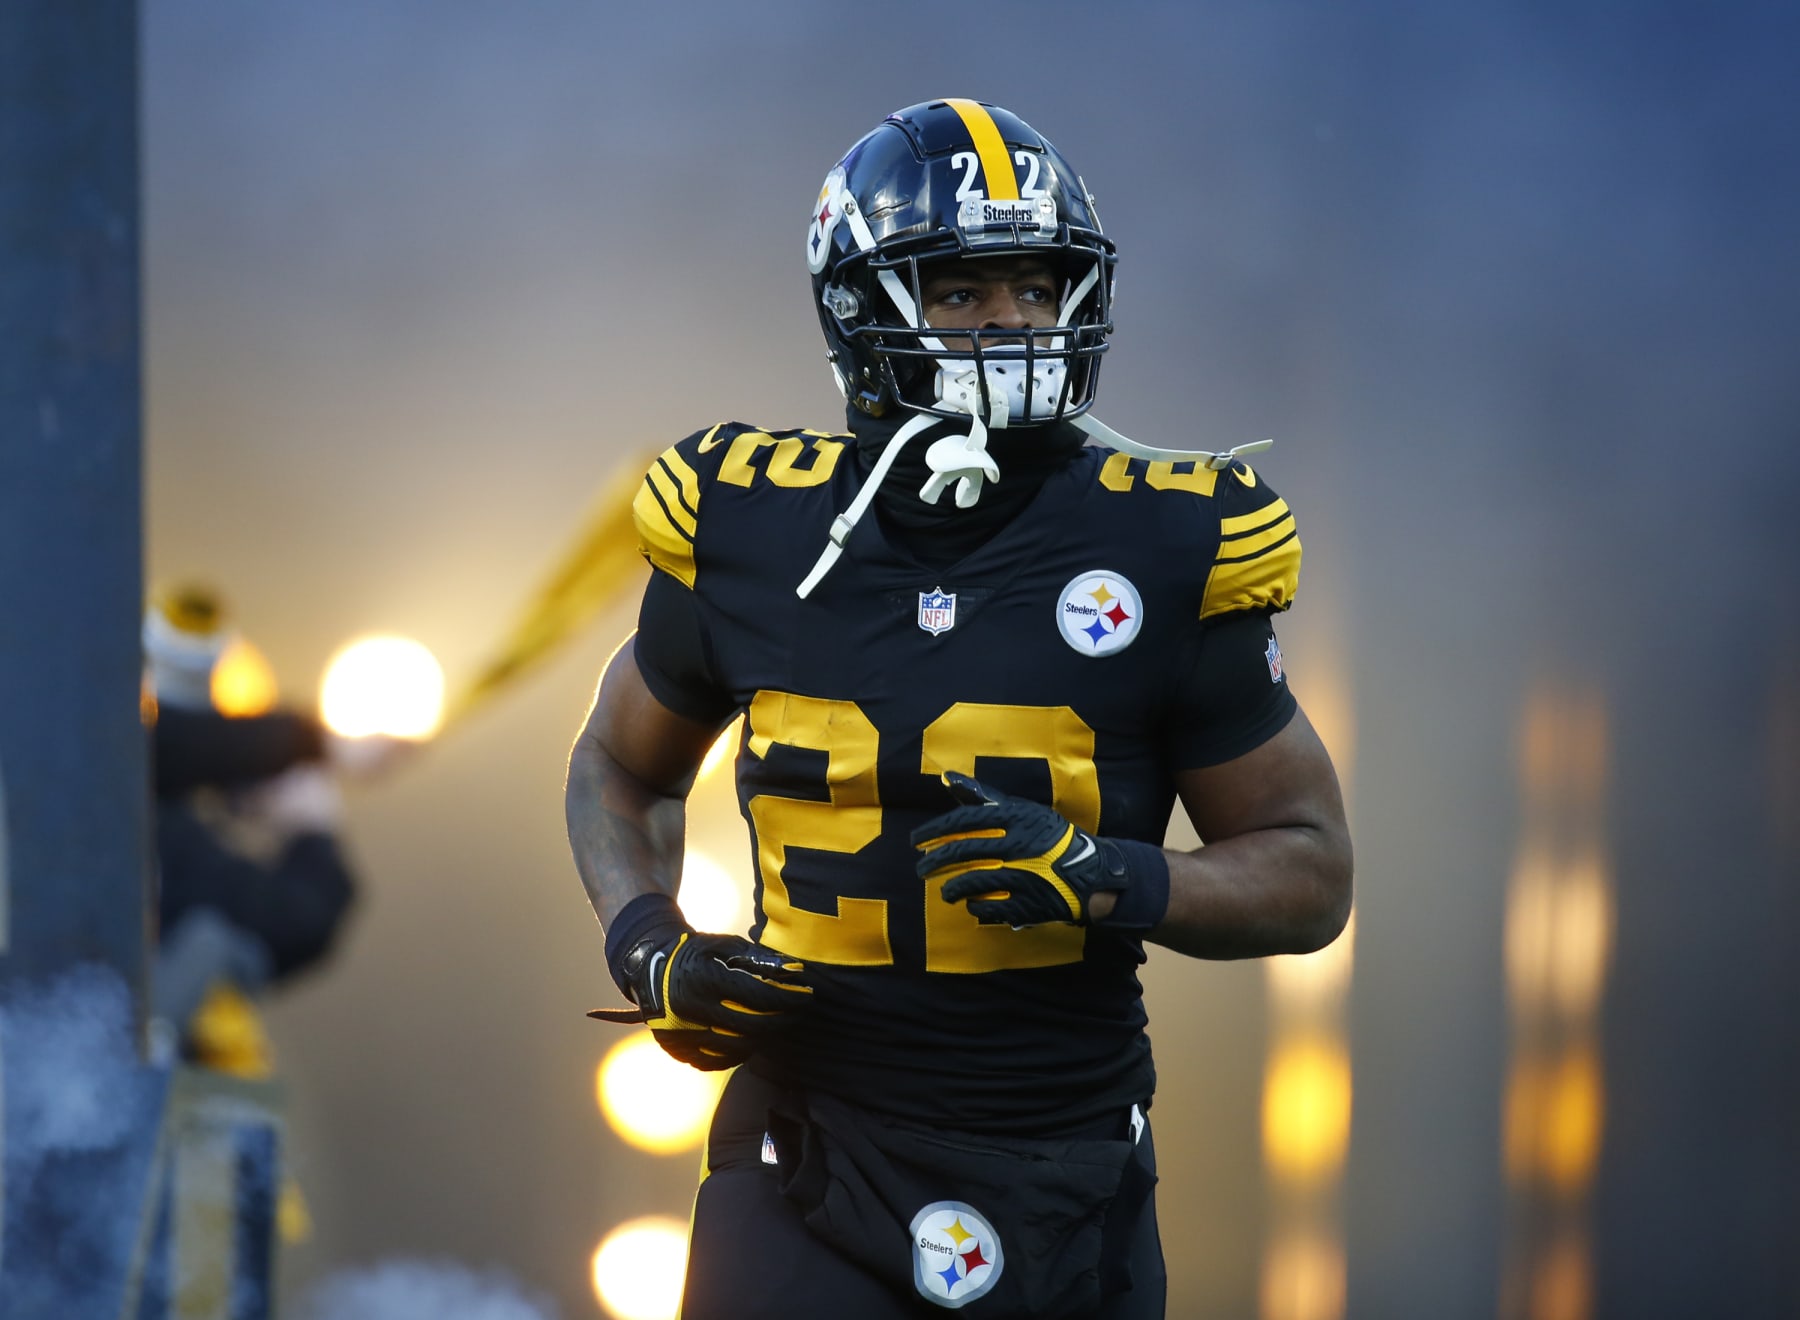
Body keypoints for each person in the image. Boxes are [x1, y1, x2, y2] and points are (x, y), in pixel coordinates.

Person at [566, 99, 1353, 1319]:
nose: (1013, 326)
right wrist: (649, 941)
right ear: (859, 306)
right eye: (964, 293)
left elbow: (1310, 871)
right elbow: (619, 769)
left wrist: (1112, 876)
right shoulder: (758, 526)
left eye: (1037, 291)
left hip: (1062, 1160)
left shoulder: (1165, 542)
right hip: (810, 1149)